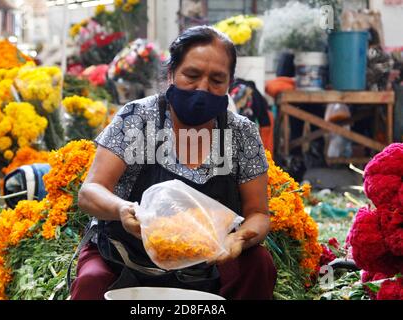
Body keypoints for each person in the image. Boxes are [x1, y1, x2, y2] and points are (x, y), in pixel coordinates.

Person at [71, 25, 277, 300]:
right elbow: (90, 192)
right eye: (191, 75)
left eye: (217, 80)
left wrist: (239, 238)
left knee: (258, 266)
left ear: (230, 83)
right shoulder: (137, 119)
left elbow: (258, 214)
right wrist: (122, 209)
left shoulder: (241, 133)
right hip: (126, 255)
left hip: (209, 262)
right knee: (92, 281)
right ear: (171, 74)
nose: (203, 88)